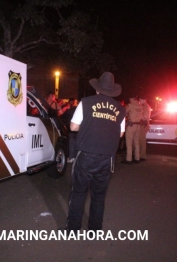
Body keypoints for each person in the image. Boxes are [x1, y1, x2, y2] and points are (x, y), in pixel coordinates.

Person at [65, 71, 126, 233]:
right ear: (112, 90)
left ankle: (73, 230)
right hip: (107, 158)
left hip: (86, 154)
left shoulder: (86, 102)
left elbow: (73, 127)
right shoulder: (120, 108)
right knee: (98, 196)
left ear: (97, 88)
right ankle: (95, 230)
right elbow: (120, 134)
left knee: (78, 193)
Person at [121, 96, 143, 164]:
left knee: (129, 142)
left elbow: (124, 113)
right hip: (138, 125)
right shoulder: (140, 106)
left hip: (131, 125)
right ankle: (137, 158)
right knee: (136, 142)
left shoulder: (130, 105)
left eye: (129, 98)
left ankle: (129, 159)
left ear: (132, 98)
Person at [60, 98, 78, 163]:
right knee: (77, 143)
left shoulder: (69, 110)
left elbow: (63, 117)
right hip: (78, 129)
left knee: (71, 142)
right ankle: (76, 157)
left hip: (71, 129)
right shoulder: (79, 110)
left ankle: (71, 157)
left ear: (71, 102)